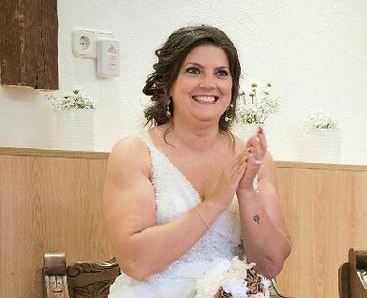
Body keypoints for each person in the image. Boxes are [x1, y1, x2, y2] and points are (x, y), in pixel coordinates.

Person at [103, 25, 291, 298]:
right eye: (193, 70)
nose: (208, 84)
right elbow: (136, 262)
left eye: (221, 73)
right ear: (169, 83)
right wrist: (214, 203)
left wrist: (247, 190)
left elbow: (271, 265)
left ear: (232, 87)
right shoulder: (134, 152)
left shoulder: (255, 158)